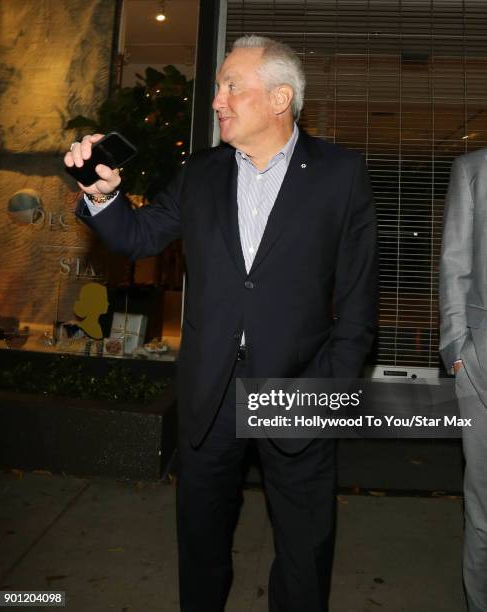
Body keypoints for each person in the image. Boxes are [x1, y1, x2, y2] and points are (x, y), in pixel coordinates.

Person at [64, 35, 378, 612]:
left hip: (299, 388)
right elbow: (138, 238)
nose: (217, 99)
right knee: (202, 548)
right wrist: (105, 196)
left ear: (281, 99)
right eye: (218, 86)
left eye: (232, 85)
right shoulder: (201, 173)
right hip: (210, 391)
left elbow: (358, 300)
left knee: (305, 554)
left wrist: (331, 386)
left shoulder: (340, 174)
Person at [440, 149, 487, 612]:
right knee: (483, 515)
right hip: (482, 372)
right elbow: (456, 263)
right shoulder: (475, 169)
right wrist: (458, 351)